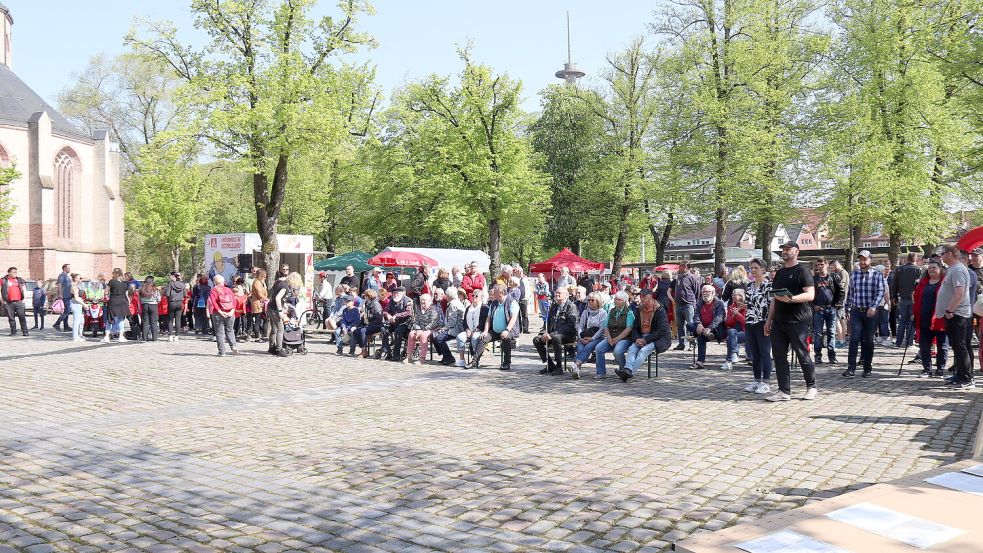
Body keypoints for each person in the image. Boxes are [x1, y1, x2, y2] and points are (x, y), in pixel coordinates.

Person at [764, 241, 817, 401]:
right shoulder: (779, 273)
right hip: (779, 321)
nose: (785, 252)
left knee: (802, 353)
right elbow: (775, 298)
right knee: (779, 356)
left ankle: (811, 386)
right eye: (783, 249)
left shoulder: (803, 271)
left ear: (797, 252)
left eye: (788, 249)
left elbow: (810, 295)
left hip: (798, 319)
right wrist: (769, 320)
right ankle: (783, 391)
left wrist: (792, 299)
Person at [843, 250, 884, 379]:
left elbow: (880, 292)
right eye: (860, 259)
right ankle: (851, 368)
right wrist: (847, 308)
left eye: (865, 260)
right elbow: (850, 293)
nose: (862, 262)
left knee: (868, 340)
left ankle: (867, 368)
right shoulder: (854, 275)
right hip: (856, 311)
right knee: (854, 338)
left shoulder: (877, 275)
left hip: (870, 312)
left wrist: (873, 306)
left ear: (870, 260)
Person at [937, 245, 974, 388]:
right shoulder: (953, 269)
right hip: (953, 314)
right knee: (957, 346)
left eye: (943, 253)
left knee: (960, 346)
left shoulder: (958, 269)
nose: (941, 256)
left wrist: (949, 310)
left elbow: (960, 293)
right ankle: (959, 375)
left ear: (950, 254)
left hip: (957, 314)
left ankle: (966, 378)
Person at [620, 289, 672, 382]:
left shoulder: (660, 310)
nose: (642, 298)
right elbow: (635, 327)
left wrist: (646, 340)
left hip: (658, 338)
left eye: (644, 296)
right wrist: (636, 338)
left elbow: (661, 330)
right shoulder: (639, 309)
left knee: (643, 350)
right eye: (641, 296)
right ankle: (627, 369)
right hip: (642, 336)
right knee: (632, 349)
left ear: (650, 297)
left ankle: (630, 373)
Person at [913, 260, 948, 378]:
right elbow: (917, 299)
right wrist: (914, 313)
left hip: (940, 319)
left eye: (934, 267)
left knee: (942, 345)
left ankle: (940, 369)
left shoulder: (945, 283)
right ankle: (927, 369)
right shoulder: (923, 283)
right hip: (924, 318)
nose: (931, 270)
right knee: (924, 346)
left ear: (940, 269)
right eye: (930, 268)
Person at [533, 286, 578, 374]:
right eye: (556, 292)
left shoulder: (571, 306)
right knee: (537, 339)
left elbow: (570, 325)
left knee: (556, 338)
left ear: (566, 295)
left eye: (559, 293)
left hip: (568, 334)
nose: (557, 294)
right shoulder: (554, 306)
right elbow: (547, 322)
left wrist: (552, 334)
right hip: (553, 333)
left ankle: (558, 366)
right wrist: (544, 333)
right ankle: (550, 365)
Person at [473, 284, 519, 370]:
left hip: (509, 329)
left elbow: (513, 318)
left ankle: (506, 363)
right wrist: (485, 330)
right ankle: (474, 361)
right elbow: (488, 318)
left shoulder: (512, 302)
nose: (493, 295)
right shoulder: (494, 303)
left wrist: (507, 330)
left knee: (506, 338)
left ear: (501, 293)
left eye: (495, 293)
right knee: (483, 338)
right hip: (495, 331)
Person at [744, 259, 773, 394]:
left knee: (764, 352)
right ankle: (756, 380)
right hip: (750, 321)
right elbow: (749, 304)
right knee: (754, 353)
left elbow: (772, 305)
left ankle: (766, 382)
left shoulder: (769, 286)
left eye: (756, 268)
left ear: (763, 269)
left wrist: (769, 321)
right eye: (751, 268)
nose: (753, 270)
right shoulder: (749, 286)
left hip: (763, 321)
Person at [594, 291, 634, 378]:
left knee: (617, 351)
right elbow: (605, 326)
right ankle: (601, 372)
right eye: (615, 299)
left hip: (625, 338)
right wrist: (608, 338)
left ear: (624, 301)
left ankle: (624, 370)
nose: (616, 301)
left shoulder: (629, 312)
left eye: (619, 300)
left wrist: (617, 339)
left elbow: (629, 328)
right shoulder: (612, 311)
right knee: (599, 348)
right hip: (611, 337)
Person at [811, 257, 844, 365]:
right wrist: (813, 305)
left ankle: (831, 355)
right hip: (819, 309)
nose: (820, 267)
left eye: (822, 264)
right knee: (818, 333)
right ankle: (818, 355)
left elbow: (841, 291)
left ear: (826, 265)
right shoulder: (814, 279)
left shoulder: (834, 277)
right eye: (818, 265)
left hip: (831, 308)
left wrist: (837, 304)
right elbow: (809, 294)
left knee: (831, 333)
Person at [686, 285, 726, 370]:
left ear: (713, 293)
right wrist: (699, 324)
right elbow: (696, 316)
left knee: (701, 338)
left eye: (707, 292)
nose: (705, 293)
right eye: (703, 292)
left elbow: (719, 318)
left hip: (715, 329)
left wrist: (710, 328)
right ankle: (705, 333)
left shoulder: (719, 303)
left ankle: (700, 361)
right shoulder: (699, 303)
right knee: (689, 325)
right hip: (702, 327)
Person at [572, 293, 608, 379]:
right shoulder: (585, 312)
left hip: (599, 337)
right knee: (580, 348)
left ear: (598, 302)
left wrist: (592, 339)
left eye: (592, 300)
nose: (590, 302)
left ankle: (576, 365)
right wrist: (580, 337)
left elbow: (602, 329)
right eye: (589, 300)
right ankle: (576, 370)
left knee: (588, 347)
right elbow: (580, 326)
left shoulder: (603, 313)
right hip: (586, 335)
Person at [892, 252, 921, 349]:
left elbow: (894, 284)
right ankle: (909, 343)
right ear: (915, 259)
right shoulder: (918, 270)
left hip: (902, 297)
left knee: (902, 321)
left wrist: (894, 296)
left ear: (907, 259)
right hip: (914, 299)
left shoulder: (899, 269)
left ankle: (898, 342)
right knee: (911, 321)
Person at [404, 293, 442, 365]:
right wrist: (417, 329)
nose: (422, 303)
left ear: (429, 301)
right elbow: (416, 320)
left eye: (424, 301)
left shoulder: (434, 310)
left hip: (432, 328)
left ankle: (422, 358)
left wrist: (422, 330)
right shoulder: (419, 308)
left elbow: (433, 323)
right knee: (411, 334)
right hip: (420, 329)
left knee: (423, 335)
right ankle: (408, 357)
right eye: (421, 301)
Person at [673, 261, 702, 350]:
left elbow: (697, 291)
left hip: (688, 305)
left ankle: (693, 344)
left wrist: (693, 302)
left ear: (686, 267)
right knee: (680, 326)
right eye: (680, 266)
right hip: (678, 305)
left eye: (681, 266)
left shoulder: (692, 278)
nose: (679, 267)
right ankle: (681, 344)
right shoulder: (678, 278)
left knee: (690, 325)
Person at [207, 275, 239, 356]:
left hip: (218, 313)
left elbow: (213, 302)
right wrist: (232, 310)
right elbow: (234, 301)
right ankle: (233, 346)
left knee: (220, 332)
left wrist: (220, 311)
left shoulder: (214, 290)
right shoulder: (229, 290)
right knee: (230, 330)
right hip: (230, 312)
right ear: (223, 282)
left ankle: (222, 352)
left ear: (214, 282)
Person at [433, 287, 466, 365]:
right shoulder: (455, 302)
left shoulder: (453, 304)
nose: (445, 296)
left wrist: (443, 329)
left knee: (439, 337)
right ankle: (445, 356)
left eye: (446, 294)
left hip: (457, 329)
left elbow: (452, 322)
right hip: (455, 327)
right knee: (434, 335)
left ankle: (449, 357)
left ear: (449, 295)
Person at [381, 286, 413, 360]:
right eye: (394, 293)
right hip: (394, 322)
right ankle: (387, 351)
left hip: (405, 323)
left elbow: (409, 312)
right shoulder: (391, 301)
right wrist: (388, 315)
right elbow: (385, 311)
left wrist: (396, 315)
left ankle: (396, 354)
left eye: (398, 293)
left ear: (402, 294)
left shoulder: (407, 301)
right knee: (383, 328)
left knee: (398, 331)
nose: (396, 295)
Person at [459, 289, 489, 367]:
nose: (474, 297)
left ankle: (475, 359)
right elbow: (464, 321)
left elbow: (485, 321)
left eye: (476, 296)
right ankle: (462, 359)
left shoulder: (484, 308)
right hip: (469, 330)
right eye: (473, 295)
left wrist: (476, 330)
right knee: (460, 337)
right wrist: (467, 329)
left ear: (481, 297)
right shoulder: (468, 308)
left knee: (475, 337)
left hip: (479, 330)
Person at [353, 289, 384, 358]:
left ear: (369, 296)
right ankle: (364, 349)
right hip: (369, 325)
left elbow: (379, 318)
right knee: (356, 331)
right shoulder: (367, 304)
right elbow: (365, 317)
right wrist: (357, 325)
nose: (364, 297)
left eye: (365, 296)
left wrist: (369, 325)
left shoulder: (376, 304)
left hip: (377, 325)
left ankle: (364, 352)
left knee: (362, 331)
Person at [103, 268, 131, 343]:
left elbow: (106, 292)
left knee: (110, 319)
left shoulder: (112, 281)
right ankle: (121, 336)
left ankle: (106, 336)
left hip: (113, 301)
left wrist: (106, 295)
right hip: (123, 302)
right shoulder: (125, 283)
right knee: (121, 319)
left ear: (114, 274)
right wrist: (129, 302)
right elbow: (126, 294)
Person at [267, 271, 291, 356]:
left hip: (270, 307)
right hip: (274, 310)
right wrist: (280, 311)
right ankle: (279, 349)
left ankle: (271, 347)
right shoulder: (285, 286)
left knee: (274, 330)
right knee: (280, 329)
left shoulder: (280, 283)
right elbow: (278, 298)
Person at [723, 289, 747, 370]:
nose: (732, 296)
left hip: (746, 332)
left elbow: (746, 323)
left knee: (730, 338)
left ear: (741, 296)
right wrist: (733, 315)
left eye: (735, 295)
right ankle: (733, 353)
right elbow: (728, 323)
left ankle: (729, 360)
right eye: (732, 295)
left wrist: (738, 314)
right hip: (734, 331)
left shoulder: (747, 307)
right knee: (731, 332)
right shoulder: (731, 307)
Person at [2, 267, 28, 336]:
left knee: (22, 317)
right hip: (9, 302)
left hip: (19, 302)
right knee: (11, 318)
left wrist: (24, 299)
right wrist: (2, 301)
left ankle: (25, 332)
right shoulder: (3, 280)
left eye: (16, 272)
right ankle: (13, 332)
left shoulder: (19, 280)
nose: (15, 273)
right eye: (13, 272)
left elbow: (24, 288)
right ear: (9, 273)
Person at [139, 276, 161, 342]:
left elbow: (139, 298)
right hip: (153, 306)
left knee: (145, 322)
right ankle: (155, 338)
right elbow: (159, 299)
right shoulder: (155, 289)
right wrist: (155, 302)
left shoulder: (142, 289)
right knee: (153, 322)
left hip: (145, 305)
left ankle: (144, 338)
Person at [249, 268, 268, 342]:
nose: (265, 276)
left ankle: (265, 335)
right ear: (261, 275)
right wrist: (265, 298)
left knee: (266, 319)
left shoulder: (262, 282)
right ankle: (257, 337)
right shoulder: (256, 282)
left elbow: (265, 291)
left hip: (263, 303)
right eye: (264, 275)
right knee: (258, 320)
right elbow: (259, 293)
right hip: (257, 303)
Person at [53, 263, 73, 331]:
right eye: (68, 268)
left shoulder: (67, 276)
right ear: (64, 268)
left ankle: (66, 326)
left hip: (68, 295)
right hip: (64, 296)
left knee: (66, 311)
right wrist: (60, 294)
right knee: (67, 311)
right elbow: (59, 285)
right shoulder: (62, 276)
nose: (70, 269)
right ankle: (57, 323)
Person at [69, 273, 85, 342]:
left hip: (78, 304)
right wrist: (84, 304)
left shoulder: (78, 285)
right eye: (78, 278)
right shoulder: (74, 286)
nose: (80, 279)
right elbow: (76, 298)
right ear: (75, 279)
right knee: (76, 321)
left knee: (81, 321)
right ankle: (75, 337)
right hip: (76, 304)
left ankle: (79, 335)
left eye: (80, 278)